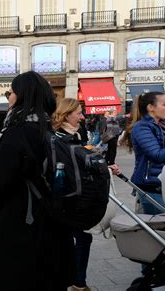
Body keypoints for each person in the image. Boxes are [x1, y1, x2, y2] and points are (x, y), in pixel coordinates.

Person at [0, 71, 75, 290]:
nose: (9, 97)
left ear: (22, 96)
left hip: (23, 225)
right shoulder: (49, 130)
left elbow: (0, 180)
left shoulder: (17, 131)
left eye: (11, 92)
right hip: (53, 223)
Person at [52, 98, 122, 291]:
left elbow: (79, 164)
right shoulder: (57, 138)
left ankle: (77, 282)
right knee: (79, 239)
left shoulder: (73, 134)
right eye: (78, 113)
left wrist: (103, 167)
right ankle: (77, 283)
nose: (82, 117)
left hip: (75, 198)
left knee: (82, 239)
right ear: (66, 115)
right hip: (67, 200)